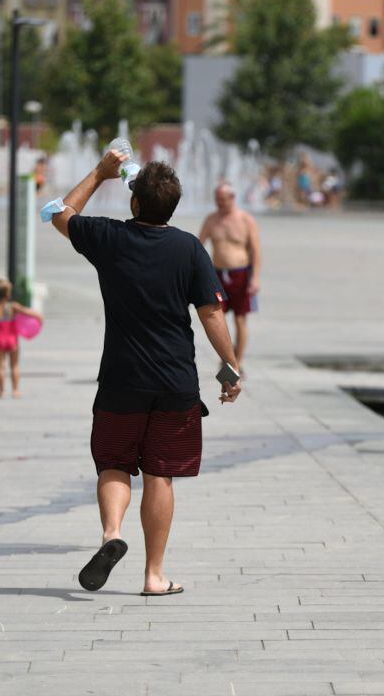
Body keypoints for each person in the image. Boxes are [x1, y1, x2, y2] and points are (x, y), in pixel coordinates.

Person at [46, 149, 241, 597]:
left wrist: (100, 172)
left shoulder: (109, 237)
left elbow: (60, 213)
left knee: (114, 463)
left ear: (134, 202)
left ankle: (112, 535)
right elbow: (211, 314)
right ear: (172, 206)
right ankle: (155, 576)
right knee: (160, 474)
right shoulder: (189, 247)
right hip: (175, 383)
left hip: (121, 379)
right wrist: (230, 370)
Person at [199, 183, 262, 374]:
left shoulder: (246, 220)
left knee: (240, 319)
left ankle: (238, 362)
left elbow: (256, 251)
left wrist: (256, 278)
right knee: (217, 318)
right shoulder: (211, 220)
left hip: (241, 274)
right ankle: (227, 359)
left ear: (232, 198)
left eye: (223, 200)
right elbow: (198, 247)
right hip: (217, 275)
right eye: (217, 200)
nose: (219, 204)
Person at [0, 278, 44, 399]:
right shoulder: (12, 307)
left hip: (0, 340)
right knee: (15, 365)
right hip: (12, 340)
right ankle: (15, 390)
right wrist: (39, 317)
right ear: (8, 294)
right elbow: (26, 311)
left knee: (1, 366)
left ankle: (1, 391)